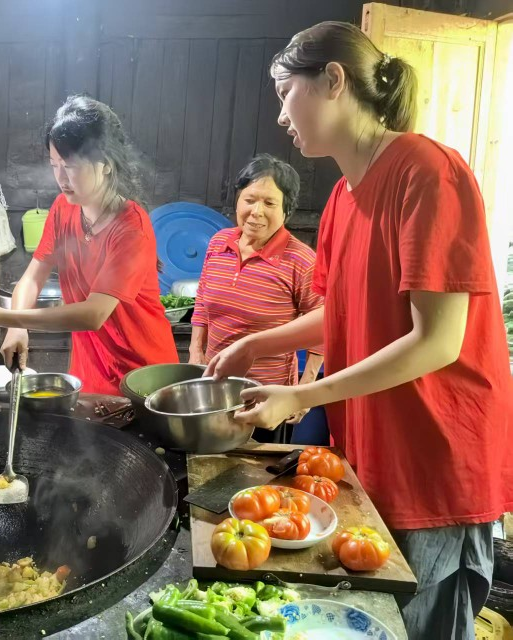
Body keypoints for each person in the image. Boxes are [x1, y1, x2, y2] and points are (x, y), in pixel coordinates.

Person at [206, 22, 512, 639]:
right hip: (372, 451)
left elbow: (437, 341)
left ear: (333, 80)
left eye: (286, 92)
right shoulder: (344, 198)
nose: (281, 116)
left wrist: (301, 394)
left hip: (433, 459)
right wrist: (255, 342)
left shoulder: (427, 171)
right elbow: (341, 313)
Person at [0, 95, 178, 394]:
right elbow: (32, 278)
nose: (61, 177)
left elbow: (93, 314)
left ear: (107, 164)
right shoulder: (63, 208)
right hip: (92, 375)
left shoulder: (131, 226)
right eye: (54, 164)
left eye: (70, 165)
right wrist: (16, 327)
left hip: (144, 378)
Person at [188, 154, 323, 435]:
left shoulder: (301, 260)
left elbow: (324, 327)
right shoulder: (218, 243)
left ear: (287, 209)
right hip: (214, 390)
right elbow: (202, 300)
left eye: (270, 203)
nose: (256, 212)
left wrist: (304, 390)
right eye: (249, 200)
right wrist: (195, 350)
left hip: (267, 398)